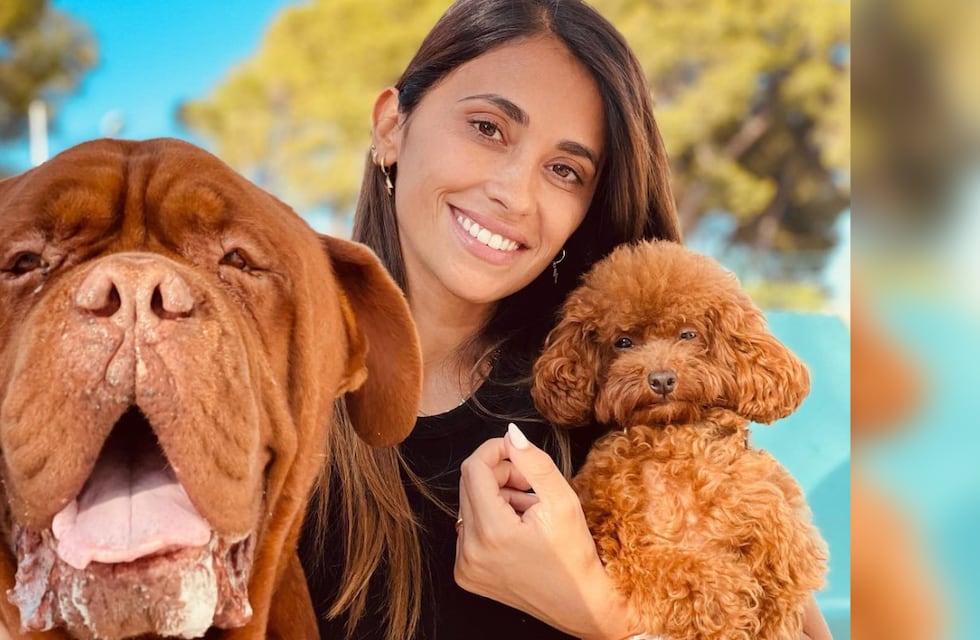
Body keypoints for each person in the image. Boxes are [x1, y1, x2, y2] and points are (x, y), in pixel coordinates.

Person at [299, 1, 833, 639]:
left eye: (564, 170)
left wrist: (603, 616)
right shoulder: (275, 383)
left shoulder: (616, 398)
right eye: (488, 127)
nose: (516, 194)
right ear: (391, 127)